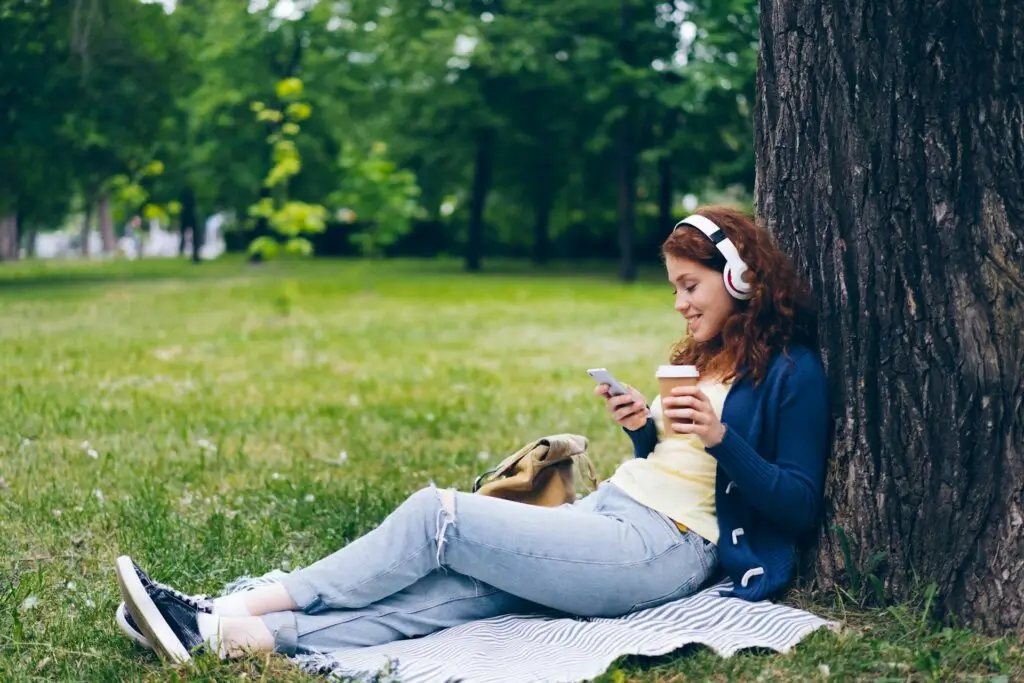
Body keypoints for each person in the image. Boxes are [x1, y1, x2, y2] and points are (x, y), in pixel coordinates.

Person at [113, 205, 830, 664]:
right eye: (673, 287)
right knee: (453, 587)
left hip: (663, 548)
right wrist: (645, 431)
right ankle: (230, 637)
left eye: (689, 286)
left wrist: (719, 437)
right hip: (611, 515)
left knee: (438, 516)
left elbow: (796, 503)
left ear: (739, 278)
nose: (679, 303)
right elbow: (677, 461)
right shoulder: (702, 356)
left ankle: (232, 603)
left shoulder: (796, 372)